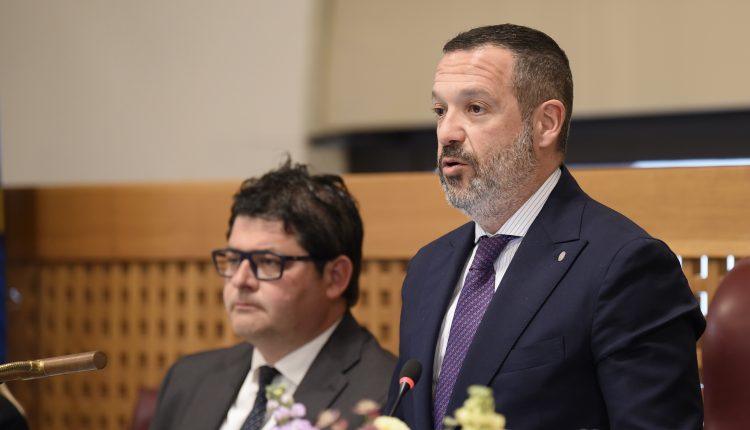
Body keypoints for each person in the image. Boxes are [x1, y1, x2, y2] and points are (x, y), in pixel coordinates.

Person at [388, 24, 705, 429]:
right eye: (440, 111)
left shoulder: (625, 266)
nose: (447, 132)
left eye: (475, 108)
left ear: (546, 123)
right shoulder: (427, 267)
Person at [151, 159, 396, 430]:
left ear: (335, 277)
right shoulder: (188, 380)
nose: (240, 280)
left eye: (268, 262)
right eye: (233, 259)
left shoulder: (386, 398)